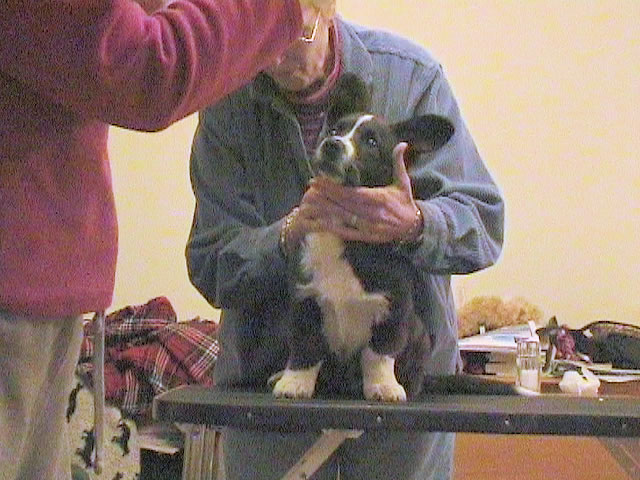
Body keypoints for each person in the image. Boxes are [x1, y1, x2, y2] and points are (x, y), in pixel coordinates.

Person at [0, 1, 340, 479]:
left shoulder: (409, 74)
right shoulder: (233, 111)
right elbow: (146, 69)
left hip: (34, 290)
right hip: (19, 291)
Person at [186, 2, 504, 479]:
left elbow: (484, 223)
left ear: (327, 10)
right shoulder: (226, 104)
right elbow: (211, 263)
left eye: (292, 32)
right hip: (270, 393)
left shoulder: (413, 78)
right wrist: (290, 233)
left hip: (399, 394)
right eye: (257, 36)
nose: (274, 56)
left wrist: (416, 222)